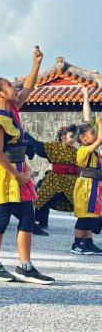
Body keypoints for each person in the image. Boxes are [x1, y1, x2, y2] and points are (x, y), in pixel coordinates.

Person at [0, 47, 54, 285]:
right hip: (5, 173)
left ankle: (25, 266)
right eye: (10, 86)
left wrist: (36, 65)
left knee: (27, 216)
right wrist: (17, 175)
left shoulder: (11, 111)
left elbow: (29, 89)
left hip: (17, 172)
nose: (15, 88)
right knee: (2, 217)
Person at [35, 86, 92, 233]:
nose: (73, 139)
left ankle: (89, 226)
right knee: (41, 199)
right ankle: (41, 222)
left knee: (80, 203)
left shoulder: (77, 151)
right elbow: (38, 146)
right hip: (54, 179)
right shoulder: (52, 147)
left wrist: (85, 97)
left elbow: (87, 121)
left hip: (71, 181)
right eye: (71, 136)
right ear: (62, 138)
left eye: (74, 136)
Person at [69, 120, 102, 254]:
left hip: (94, 184)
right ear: (83, 138)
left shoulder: (94, 152)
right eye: (92, 133)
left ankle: (89, 242)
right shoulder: (83, 150)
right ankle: (76, 243)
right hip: (86, 186)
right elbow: (100, 139)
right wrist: (100, 124)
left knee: (90, 215)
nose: (95, 135)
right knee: (83, 216)